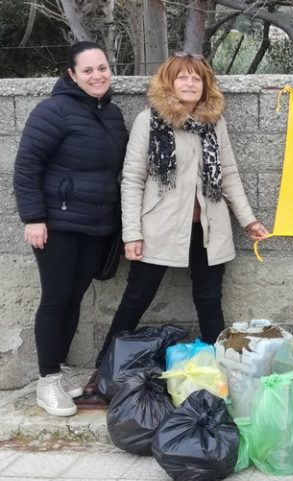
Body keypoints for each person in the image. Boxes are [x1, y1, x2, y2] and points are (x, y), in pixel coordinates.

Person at [83, 53, 269, 398]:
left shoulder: (215, 122)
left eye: (196, 78)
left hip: (208, 229)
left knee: (210, 301)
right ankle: (103, 371)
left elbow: (228, 174)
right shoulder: (149, 120)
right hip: (160, 228)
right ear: (168, 82)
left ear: (205, 85)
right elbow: (133, 179)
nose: (189, 84)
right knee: (136, 299)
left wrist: (249, 220)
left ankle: (222, 381)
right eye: (181, 77)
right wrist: (132, 234)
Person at [13, 41, 128, 416]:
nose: (97, 76)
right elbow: (27, 166)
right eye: (88, 70)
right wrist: (33, 217)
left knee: (75, 297)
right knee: (56, 298)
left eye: (102, 68)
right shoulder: (53, 111)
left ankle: (57, 372)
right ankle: (46, 382)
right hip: (57, 224)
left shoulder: (111, 115)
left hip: (96, 225)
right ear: (72, 75)